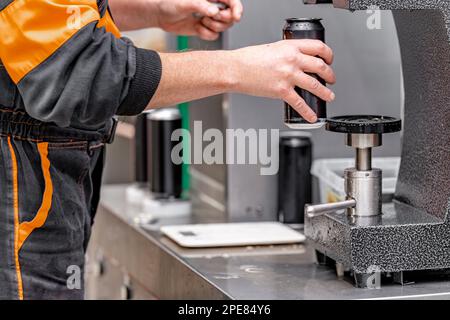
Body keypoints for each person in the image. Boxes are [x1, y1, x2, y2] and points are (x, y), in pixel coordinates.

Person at [0, 0, 335, 299]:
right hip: (19, 197)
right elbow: (82, 75)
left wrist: (154, 9)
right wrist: (239, 68)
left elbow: (49, 17)